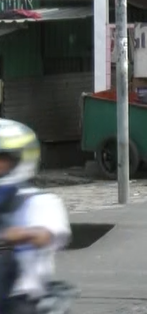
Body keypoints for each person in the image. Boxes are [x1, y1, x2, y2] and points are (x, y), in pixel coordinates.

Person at [0, 120, 70, 314]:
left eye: (1, 158)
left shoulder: (40, 202)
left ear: (18, 159)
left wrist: (17, 235)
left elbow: (44, 234)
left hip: (20, 297)